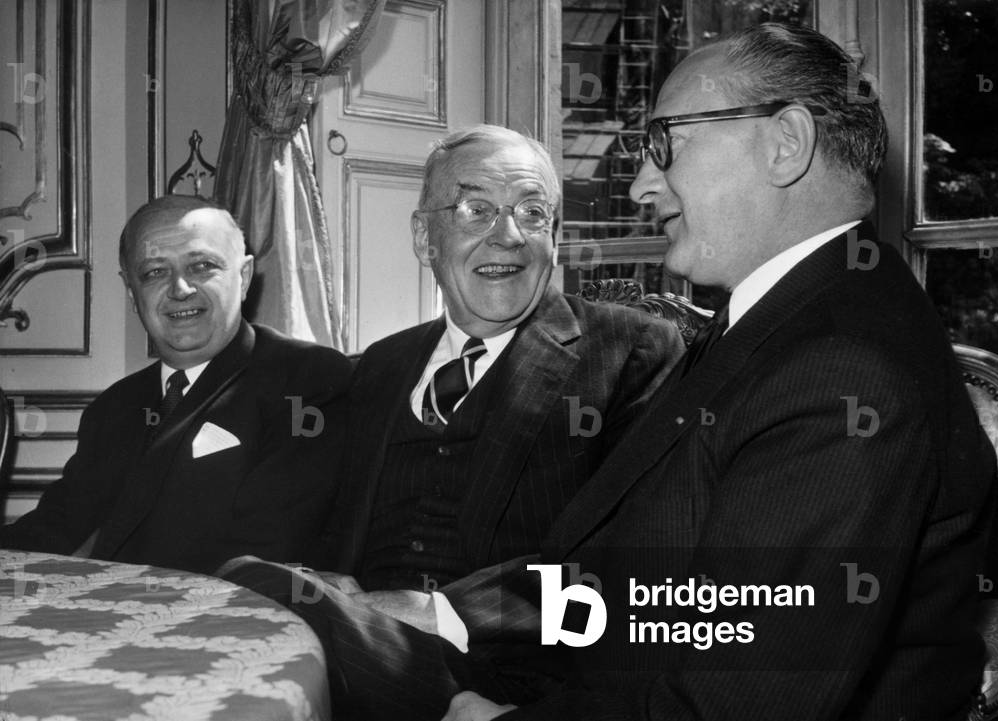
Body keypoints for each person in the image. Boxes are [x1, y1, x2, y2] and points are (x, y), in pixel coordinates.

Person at [442, 23, 994, 721]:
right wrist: (446, 615)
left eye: (664, 143)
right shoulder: (781, 320)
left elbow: (737, 703)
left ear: (785, 143)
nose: (641, 185)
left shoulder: (842, 367)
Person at [219, 124, 685, 719]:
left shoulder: (630, 350)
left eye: (533, 213)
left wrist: (442, 611)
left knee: (249, 591)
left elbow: (636, 550)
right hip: (363, 643)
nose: (508, 236)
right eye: (476, 210)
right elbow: (328, 512)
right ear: (425, 237)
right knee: (253, 586)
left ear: (554, 237)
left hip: (512, 674)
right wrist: (323, 579)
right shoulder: (382, 365)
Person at [1, 196, 352, 575]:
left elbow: (270, 550)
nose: (180, 288)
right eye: (154, 272)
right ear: (131, 291)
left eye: (202, 266)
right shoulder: (114, 406)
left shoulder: (307, 379)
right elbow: (56, 528)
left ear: (244, 276)